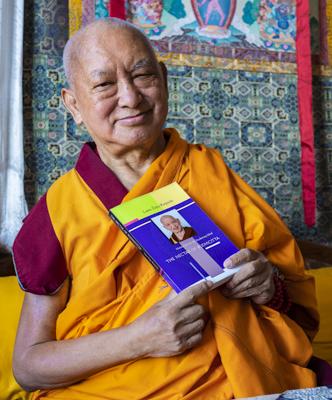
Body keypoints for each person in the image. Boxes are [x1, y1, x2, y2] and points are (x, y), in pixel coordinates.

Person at [12, 18, 319, 400]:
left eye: (142, 75)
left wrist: (265, 283)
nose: (130, 97)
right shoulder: (59, 209)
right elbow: (28, 366)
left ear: (164, 80)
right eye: (105, 84)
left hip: (245, 385)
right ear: (73, 104)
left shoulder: (210, 173)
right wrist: (137, 340)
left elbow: (294, 307)